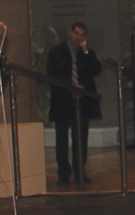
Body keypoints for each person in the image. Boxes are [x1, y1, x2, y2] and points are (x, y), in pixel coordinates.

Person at [47, 21, 102, 186]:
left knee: (81, 138)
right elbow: (52, 74)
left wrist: (86, 52)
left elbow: (96, 69)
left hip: (81, 103)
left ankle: (80, 172)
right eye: (77, 33)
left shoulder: (87, 53)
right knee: (62, 139)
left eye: (82, 35)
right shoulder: (56, 52)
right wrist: (69, 86)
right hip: (63, 101)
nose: (79, 37)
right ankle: (63, 173)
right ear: (70, 33)